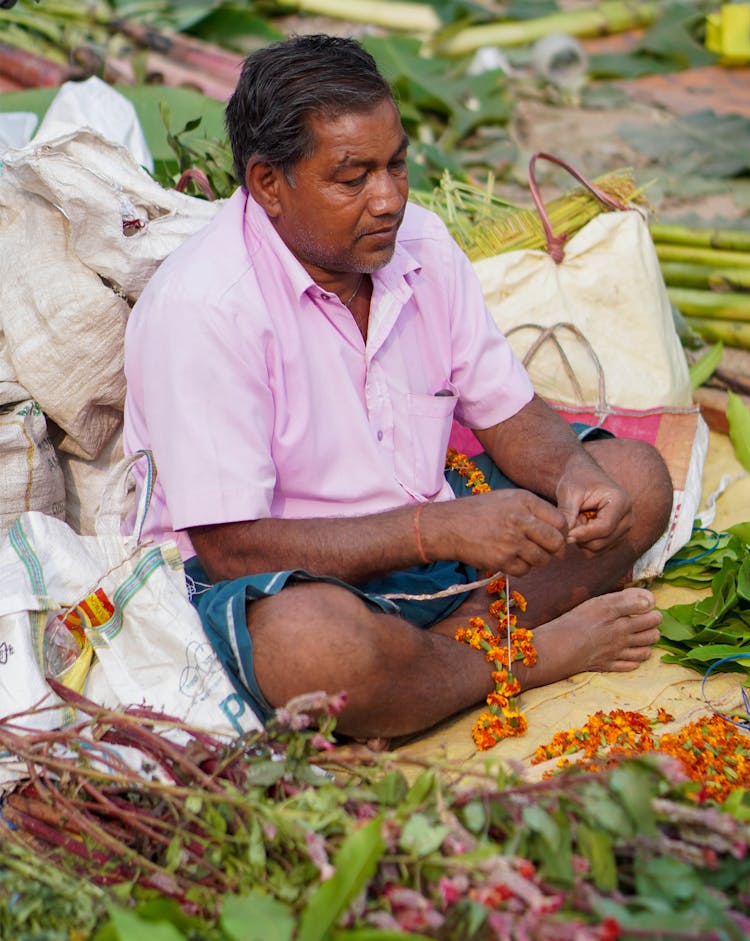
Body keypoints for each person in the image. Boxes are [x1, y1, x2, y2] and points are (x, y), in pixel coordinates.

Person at [123, 33, 673, 743]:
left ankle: (433, 661)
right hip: (292, 575)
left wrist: (573, 476)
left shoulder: (422, 243)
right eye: (353, 178)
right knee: (319, 650)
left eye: (397, 165)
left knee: (636, 479)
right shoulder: (203, 308)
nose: (387, 199)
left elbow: (506, 410)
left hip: (432, 545)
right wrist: (437, 529)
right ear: (267, 185)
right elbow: (232, 550)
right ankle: (522, 657)